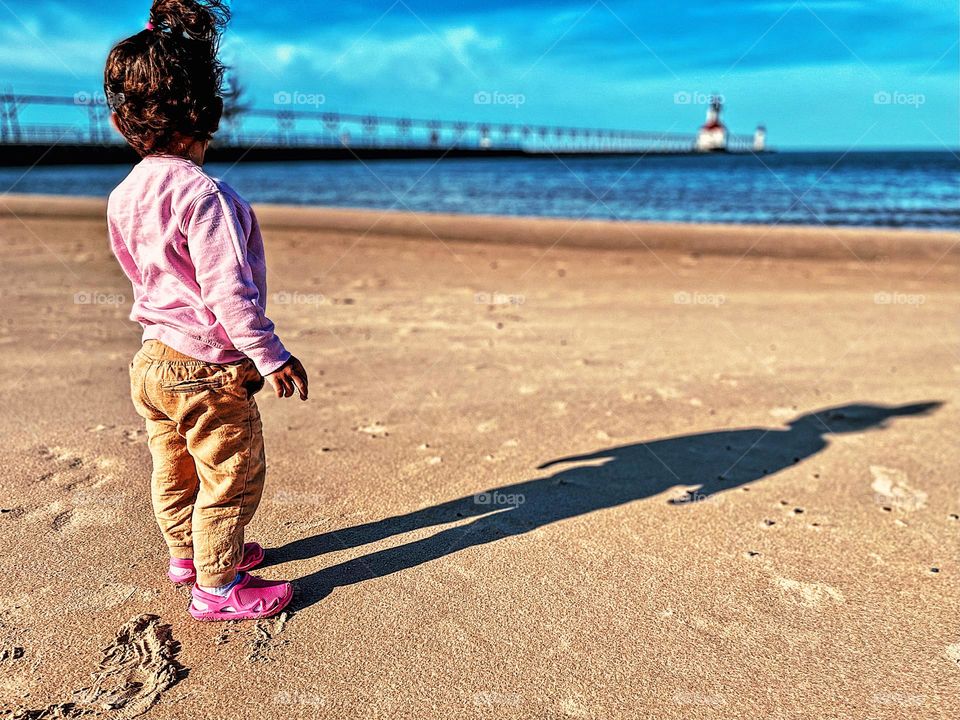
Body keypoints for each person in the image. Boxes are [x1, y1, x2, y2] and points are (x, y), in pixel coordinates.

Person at [104, 0, 308, 621]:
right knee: (230, 472)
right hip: (205, 368)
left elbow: (141, 272)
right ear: (209, 113)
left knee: (172, 465)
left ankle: (186, 557)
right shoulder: (205, 195)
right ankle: (218, 588)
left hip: (153, 361)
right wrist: (271, 356)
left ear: (121, 123)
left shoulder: (124, 194)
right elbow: (228, 291)